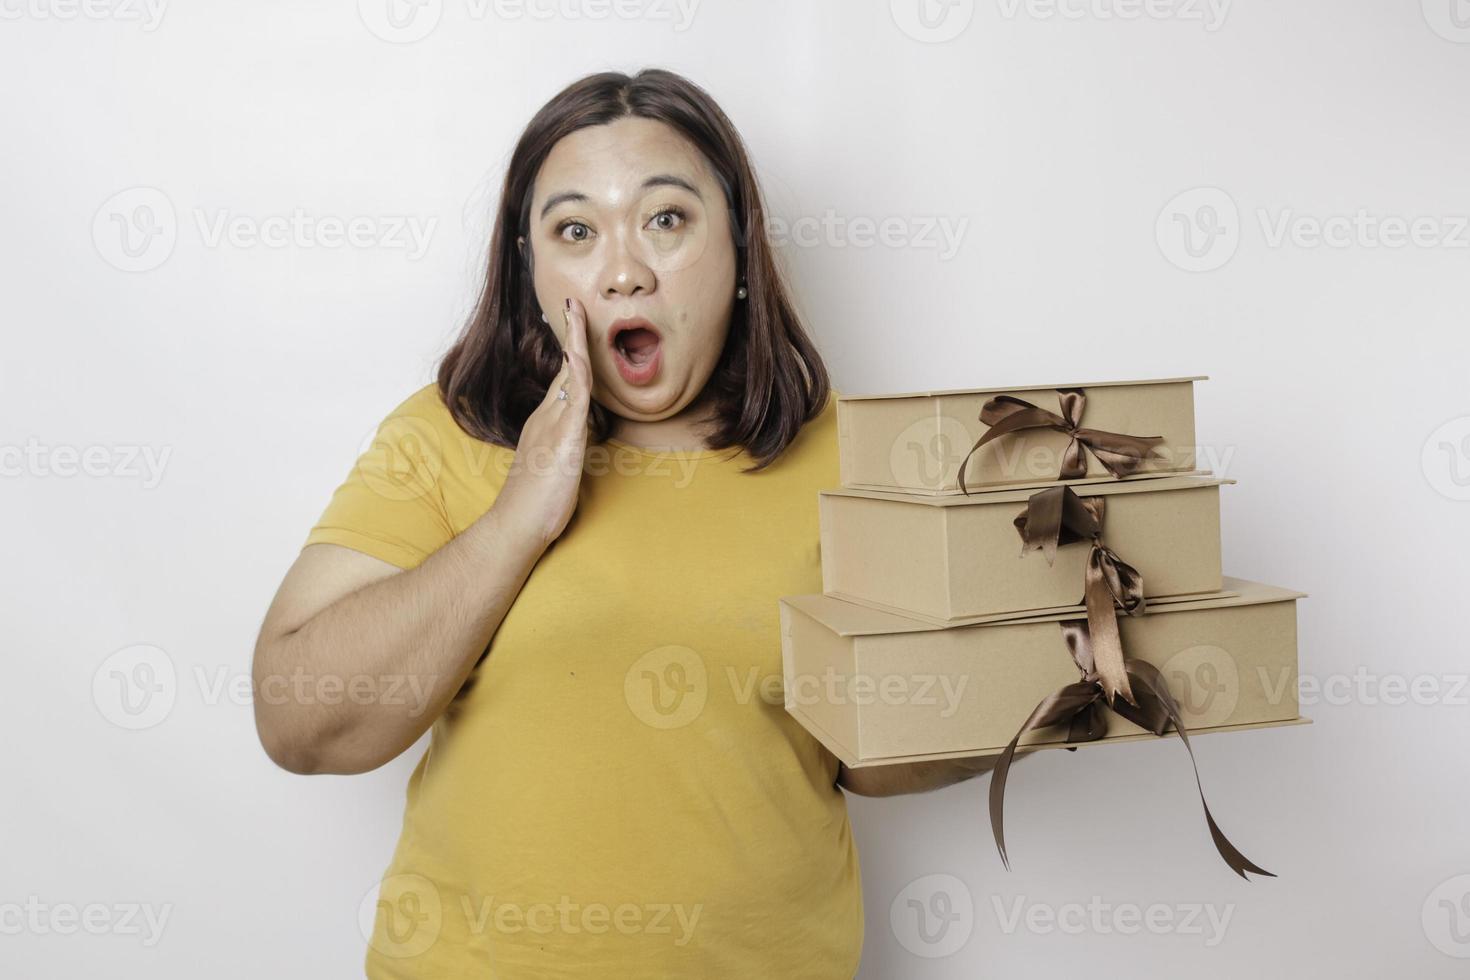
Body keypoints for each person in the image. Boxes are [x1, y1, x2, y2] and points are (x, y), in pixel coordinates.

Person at [251, 67, 1023, 979]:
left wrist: (1044, 681)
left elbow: (870, 759)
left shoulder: (850, 455)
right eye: (575, 230)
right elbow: (298, 724)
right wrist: (516, 520)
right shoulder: (447, 433)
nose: (623, 270)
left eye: (667, 219)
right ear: (529, 270)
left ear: (739, 249)